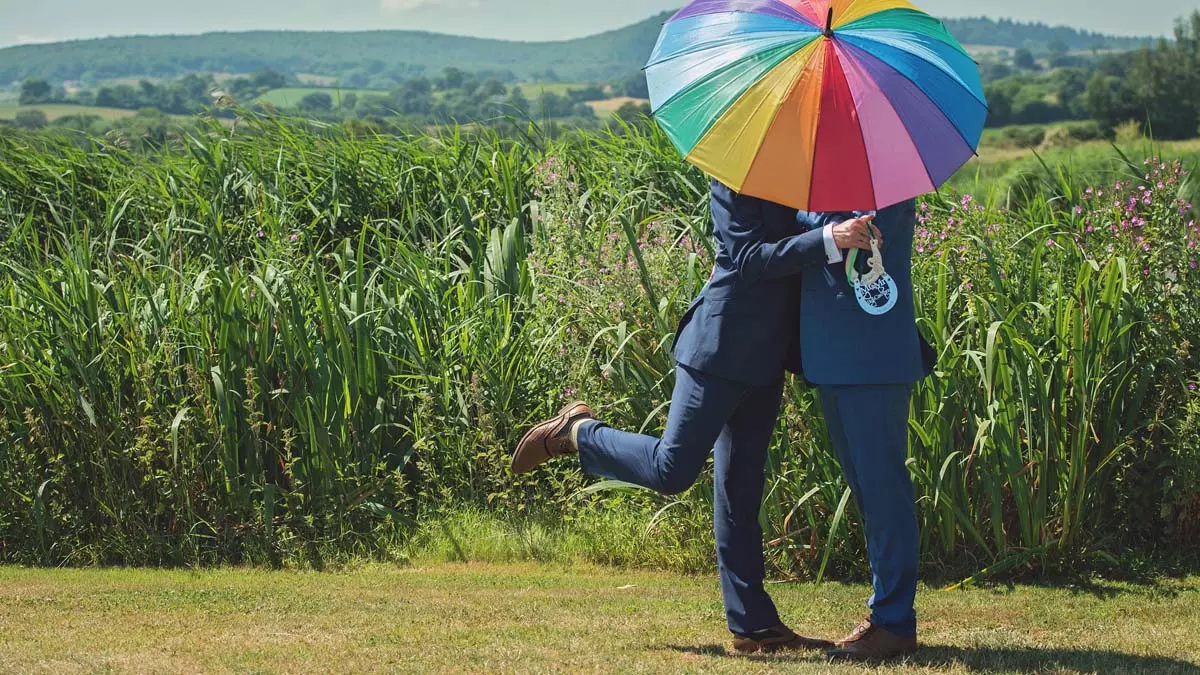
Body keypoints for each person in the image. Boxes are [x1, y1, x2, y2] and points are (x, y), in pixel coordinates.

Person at [510, 178, 881, 654]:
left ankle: (754, 628)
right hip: (719, 348)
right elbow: (748, 259)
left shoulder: (800, 177)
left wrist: (845, 229)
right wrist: (832, 239)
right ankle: (578, 432)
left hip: (767, 357)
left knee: (739, 494)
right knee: (672, 469)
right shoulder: (734, 176)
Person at [795, 200, 935, 662]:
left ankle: (894, 622)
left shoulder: (884, 177)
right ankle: (886, 613)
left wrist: (807, 223)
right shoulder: (822, 180)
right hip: (832, 355)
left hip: (872, 357)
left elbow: (861, 234)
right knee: (867, 491)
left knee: (883, 491)